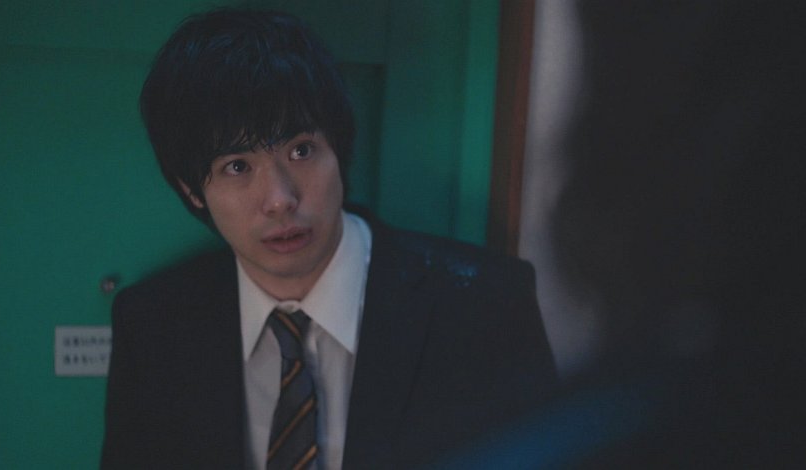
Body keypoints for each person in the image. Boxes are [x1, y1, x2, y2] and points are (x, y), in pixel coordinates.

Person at [101, 8, 556, 469]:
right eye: (237, 167)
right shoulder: (154, 326)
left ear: (338, 149)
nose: (280, 199)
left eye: (301, 150)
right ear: (191, 191)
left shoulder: (485, 304)